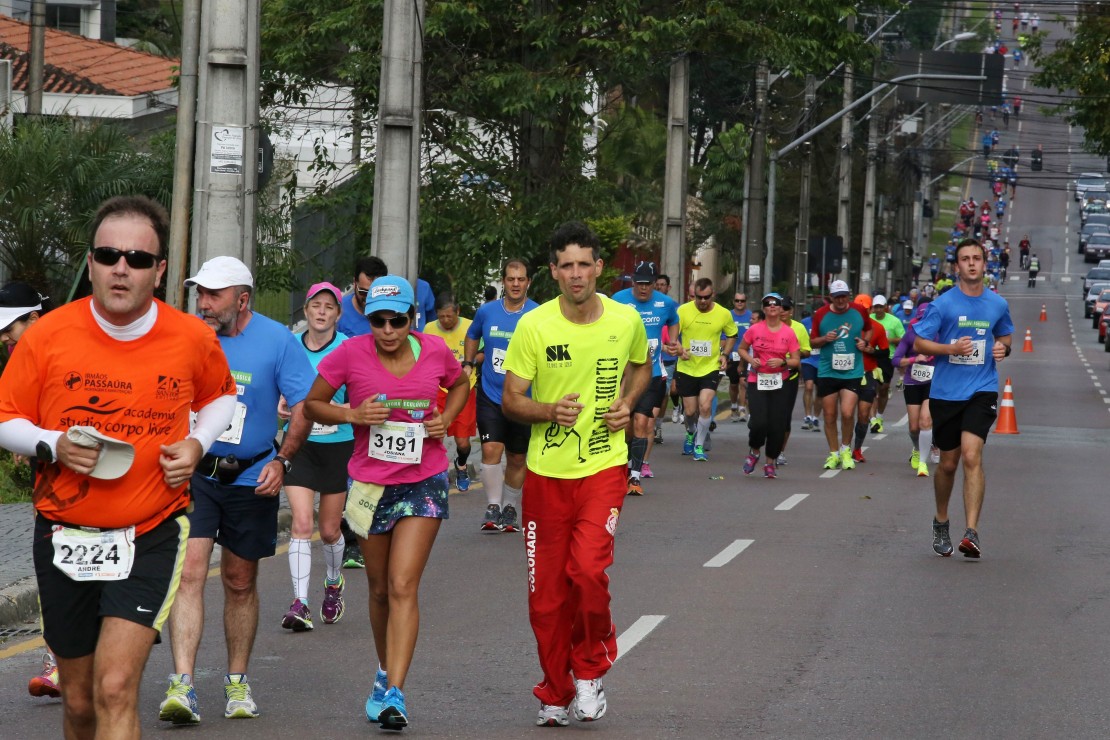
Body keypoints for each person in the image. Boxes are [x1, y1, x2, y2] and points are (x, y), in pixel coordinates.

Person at [0, 195, 237, 738]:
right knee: (80, 701)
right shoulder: (47, 335)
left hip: (151, 529)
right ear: (91, 265)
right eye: (108, 255)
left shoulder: (191, 337)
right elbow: (4, 416)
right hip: (64, 532)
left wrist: (199, 442)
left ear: (160, 271)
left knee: (113, 688)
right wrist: (50, 443)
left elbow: (222, 397)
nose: (120, 267)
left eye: (136, 257)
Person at [501, 221, 649, 727]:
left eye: (585, 264)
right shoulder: (535, 326)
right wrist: (548, 411)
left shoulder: (626, 319)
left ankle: (589, 672)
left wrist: (627, 403)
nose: (577, 274)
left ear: (599, 268)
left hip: (604, 467)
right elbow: (511, 399)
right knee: (546, 598)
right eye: (567, 265)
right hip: (546, 475)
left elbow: (642, 368)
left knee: (586, 572)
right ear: (553, 272)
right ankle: (555, 692)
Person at [305, 274, 468, 729]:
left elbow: (460, 384)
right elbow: (313, 404)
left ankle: (395, 691)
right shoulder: (350, 355)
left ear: (413, 319)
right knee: (377, 590)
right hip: (371, 486)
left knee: (402, 585)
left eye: (398, 320)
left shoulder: (433, 351)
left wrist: (447, 419)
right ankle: (383, 671)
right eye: (379, 321)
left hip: (424, 479)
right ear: (368, 320)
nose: (388, 329)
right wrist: (352, 414)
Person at [161, 256, 314, 724]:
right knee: (188, 574)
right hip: (196, 476)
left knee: (239, 581)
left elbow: (306, 404)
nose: (203, 303)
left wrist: (283, 461)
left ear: (241, 299)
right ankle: (182, 685)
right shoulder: (186, 335)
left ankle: (237, 683)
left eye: (214, 295)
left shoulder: (277, 340)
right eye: (199, 294)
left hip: (252, 477)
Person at [914, 238, 1013, 558]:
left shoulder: (997, 304)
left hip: (982, 389)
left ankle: (972, 532)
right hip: (946, 393)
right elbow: (920, 344)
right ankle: (941, 520)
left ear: (986, 265)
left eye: (977, 259)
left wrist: (1004, 348)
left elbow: (1006, 334)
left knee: (972, 455)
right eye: (965, 259)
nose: (972, 264)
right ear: (956, 266)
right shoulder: (942, 305)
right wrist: (950, 349)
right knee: (948, 463)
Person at [279, 282, 355, 633]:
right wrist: (281, 408)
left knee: (328, 530)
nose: (322, 311)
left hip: (339, 444)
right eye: (316, 305)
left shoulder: (349, 350)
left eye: (329, 306)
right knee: (302, 524)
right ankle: (300, 602)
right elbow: (278, 393)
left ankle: (333, 581)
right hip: (300, 445)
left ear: (338, 314)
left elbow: (360, 402)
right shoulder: (290, 347)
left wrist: (330, 410)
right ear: (306, 311)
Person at [0, 282, 64, 699]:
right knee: (53, 573)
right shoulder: (18, 358)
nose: (4, 337)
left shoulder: (74, 350)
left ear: (36, 321)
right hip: (53, 493)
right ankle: (56, 663)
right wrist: (28, 442)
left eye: (11, 327)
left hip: (110, 490)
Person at [464, 259, 539, 532]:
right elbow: (472, 335)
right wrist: (468, 363)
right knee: (490, 448)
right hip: (491, 394)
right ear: (504, 282)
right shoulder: (486, 312)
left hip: (523, 399)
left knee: (517, 457)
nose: (516, 284)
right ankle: (493, 506)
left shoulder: (539, 315)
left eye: (521, 279)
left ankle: (510, 507)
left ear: (528, 282)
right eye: (511, 279)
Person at [612, 260, 679, 495]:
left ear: (654, 284)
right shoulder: (618, 300)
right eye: (639, 283)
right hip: (623, 376)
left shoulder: (665, 303)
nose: (643, 288)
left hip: (652, 374)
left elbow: (674, 321)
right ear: (633, 282)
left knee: (642, 422)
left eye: (648, 284)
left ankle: (635, 477)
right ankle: (625, 465)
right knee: (626, 428)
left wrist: (672, 342)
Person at [735, 294, 801, 478]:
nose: (772, 307)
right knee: (758, 422)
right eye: (767, 304)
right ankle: (754, 452)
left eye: (776, 304)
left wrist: (783, 362)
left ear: (781, 309)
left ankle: (770, 461)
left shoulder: (788, 332)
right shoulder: (755, 329)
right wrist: (750, 359)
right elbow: (741, 348)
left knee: (777, 425)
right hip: (758, 380)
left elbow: (796, 361)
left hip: (781, 382)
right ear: (763, 309)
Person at [810, 280, 871, 471]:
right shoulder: (821, 314)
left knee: (847, 413)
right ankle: (833, 453)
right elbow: (812, 342)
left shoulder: (859, 311)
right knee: (829, 414)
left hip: (852, 370)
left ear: (849, 295)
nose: (841, 300)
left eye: (844, 295)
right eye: (837, 297)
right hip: (828, 370)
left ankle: (846, 449)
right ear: (831, 298)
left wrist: (864, 342)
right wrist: (824, 339)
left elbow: (869, 329)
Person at [674, 278, 737, 462]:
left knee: (705, 405)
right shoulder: (683, 311)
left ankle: (699, 446)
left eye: (706, 297)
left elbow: (732, 334)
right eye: (699, 298)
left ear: (713, 295)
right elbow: (671, 333)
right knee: (690, 411)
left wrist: (725, 354)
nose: (702, 301)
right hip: (687, 367)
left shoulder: (723, 314)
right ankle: (691, 433)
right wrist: (679, 348)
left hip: (710, 367)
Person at [423, 292, 479, 492]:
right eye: (441, 316)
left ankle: (461, 464)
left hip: (464, 388)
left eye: (450, 316)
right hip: (437, 388)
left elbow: (481, 352)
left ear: (458, 312)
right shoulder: (429, 329)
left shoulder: (470, 326)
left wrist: (468, 363)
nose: (445, 320)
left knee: (463, 441)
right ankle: (434, 473)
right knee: (434, 435)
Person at [892, 301, 935, 477]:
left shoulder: (940, 335)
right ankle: (917, 449)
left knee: (926, 421)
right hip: (912, 382)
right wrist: (913, 359)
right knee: (914, 427)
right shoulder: (910, 336)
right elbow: (895, 360)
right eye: (919, 319)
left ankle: (923, 462)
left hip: (933, 383)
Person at [847, 295, 889, 464]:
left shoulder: (877, 328)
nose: (861, 312)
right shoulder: (846, 326)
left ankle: (857, 448)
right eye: (858, 309)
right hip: (847, 374)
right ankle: (844, 448)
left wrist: (872, 351)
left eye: (865, 309)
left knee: (863, 414)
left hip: (867, 374)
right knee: (847, 413)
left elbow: (885, 353)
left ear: (870, 310)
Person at [772, 295, 812, 464]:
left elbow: (807, 351)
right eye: (780, 307)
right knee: (767, 415)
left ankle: (780, 451)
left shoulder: (799, 328)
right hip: (769, 375)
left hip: (789, 375)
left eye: (786, 309)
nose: (782, 311)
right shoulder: (768, 326)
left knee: (784, 416)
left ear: (791, 311)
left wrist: (793, 355)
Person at [868, 295, 904, 433]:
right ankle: (873, 420)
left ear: (886, 307)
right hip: (870, 355)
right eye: (875, 307)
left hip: (887, 357)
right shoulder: (869, 320)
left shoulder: (894, 321)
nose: (878, 310)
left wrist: (887, 339)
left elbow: (902, 339)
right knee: (871, 388)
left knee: (884, 388)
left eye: (880, 307)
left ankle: (879, 416)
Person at [337, 256, 388, 338]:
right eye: (364, 292)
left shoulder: (391, 311)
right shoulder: (338, 311)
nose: (369, 298)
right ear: (354, 283)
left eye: (376, 293)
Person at [725, 292, 753, 422]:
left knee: (743, 382)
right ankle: (734, 405)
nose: (739, 303)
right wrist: (725, 353)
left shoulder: (750, 316)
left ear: (745, 301)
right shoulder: (728, 315)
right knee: (734, 383)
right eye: (737, 301)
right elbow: (724, 335)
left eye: (742, 301)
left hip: (747, 355)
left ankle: (742, 409)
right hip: (732, 354)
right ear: (733, 301)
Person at [799, 302, 823, 432]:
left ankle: (816, 417)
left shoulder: (826, 323)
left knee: (820, 391)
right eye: (815, 312)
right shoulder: (804, 322)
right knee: (808, 386)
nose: (817, 314)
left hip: (822, 360)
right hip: (808, 359)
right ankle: (807, 416)